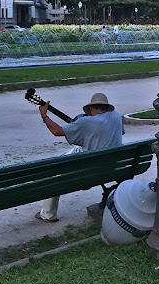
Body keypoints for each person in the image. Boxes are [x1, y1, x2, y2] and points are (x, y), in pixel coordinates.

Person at [35, 92, 123, 222]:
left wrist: (44, 115)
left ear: (91, 108)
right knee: (75, 150)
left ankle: (48, 214)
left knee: (54, 172)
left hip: (89, 169)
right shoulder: (116, 117)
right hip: (112, 165)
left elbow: (57, 131)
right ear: (106, 108)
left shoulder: (85, 122)